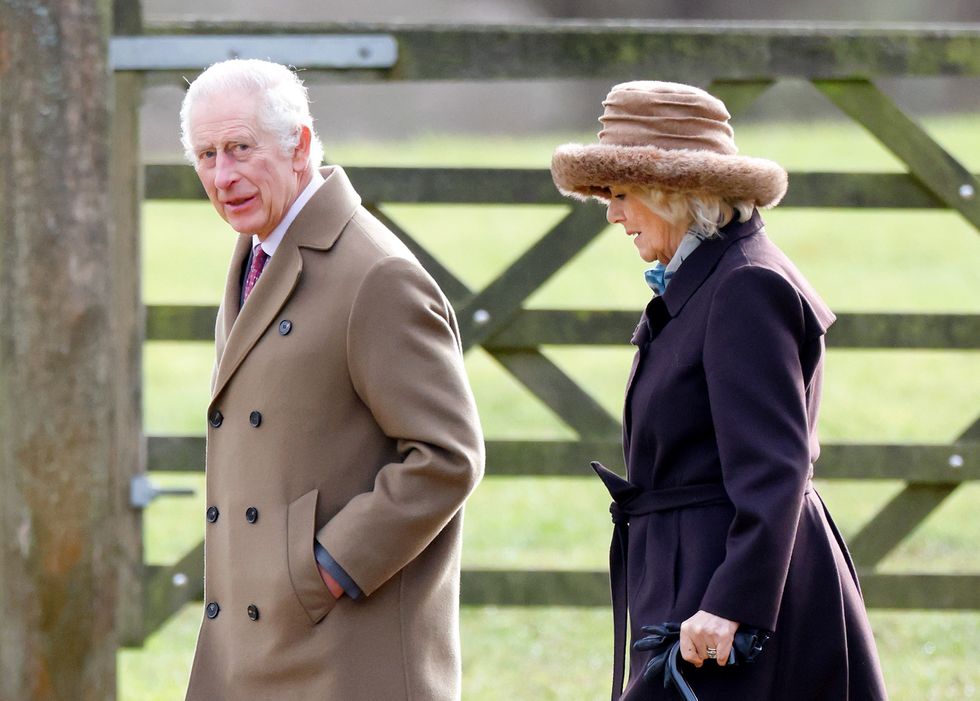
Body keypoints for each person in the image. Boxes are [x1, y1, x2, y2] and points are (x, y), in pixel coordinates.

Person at [551, 81, 888, 700]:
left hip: (725, 594)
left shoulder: (744, 286)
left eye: (622, 193)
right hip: (698, 570)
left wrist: (732, 603)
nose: (612, 213)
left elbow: (776, 465)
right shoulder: (709, 277)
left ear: (673, 191)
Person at [178, 59, 484, 700]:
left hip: (341, 654)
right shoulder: (257, 251)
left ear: (302, 146)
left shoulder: (374, 275)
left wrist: (328, 567)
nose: (222, 175)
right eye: (206, 154)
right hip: (257, 645)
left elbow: (448, 457)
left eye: (240, 148)